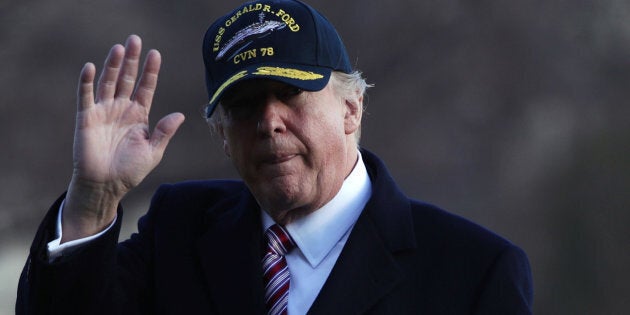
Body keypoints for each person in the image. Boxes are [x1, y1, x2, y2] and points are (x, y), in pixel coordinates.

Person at [17, 0, 533, 314]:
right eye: (242, 107)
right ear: (222, 136)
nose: (268, 122)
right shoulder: (179, 232)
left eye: (289, 94)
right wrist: (92, 202)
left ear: (351, 108)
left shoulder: (472, 269)